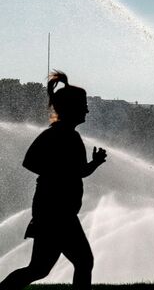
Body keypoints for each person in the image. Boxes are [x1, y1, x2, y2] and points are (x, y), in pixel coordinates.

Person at [0, 71, 107, 290]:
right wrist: (59, 173)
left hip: (57, 212)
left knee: (39, 269)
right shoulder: (56, 135)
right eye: (83, 105)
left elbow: (77, 172)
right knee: (83, 261)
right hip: (55, 212)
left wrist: (94, 164)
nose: (87, 109)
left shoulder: (72, 136)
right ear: (71, 108)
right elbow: (30, 162)